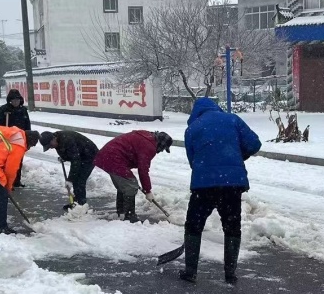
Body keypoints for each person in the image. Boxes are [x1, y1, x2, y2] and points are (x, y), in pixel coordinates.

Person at [181, 97, 261, 284]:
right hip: (232, 185)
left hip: (204, 186)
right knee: (232, 227)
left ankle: (190, 272)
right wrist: (237, 156)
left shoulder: (192, 129)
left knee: (194, 225)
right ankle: (230, 274)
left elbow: (193, 161)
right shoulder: (232, 119)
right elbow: (254, 144)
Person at [94, 131, 173, 222]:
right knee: (131, 185)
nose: (161, 150)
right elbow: (143, 170)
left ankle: (121, 212)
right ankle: (129, 216)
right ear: (161, 144)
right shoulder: (149, 146)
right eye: (163, 148)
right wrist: (148, 190)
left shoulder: (146, 137)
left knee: (124, 184)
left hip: (108, 156)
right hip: (113, 158)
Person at [39, 130, 99, 209]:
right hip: (81, 155)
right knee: (76, 180)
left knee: (80, 180)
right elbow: (68, 152)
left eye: (50, 145)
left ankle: (81, 205)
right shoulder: (58, 140)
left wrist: (70, 179)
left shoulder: (67, 140)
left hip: (90, 156)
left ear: (53, 139)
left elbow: (75, 161)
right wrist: (64, 157)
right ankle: (76, 203)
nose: (50, 147)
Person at [0, 89, 32, 187]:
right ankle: (6, 180)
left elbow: (27, 124)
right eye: (13, 100)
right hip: (7, 139)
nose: (16, 102)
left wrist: (27, 136)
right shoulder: (4, 109)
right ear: (10, 100)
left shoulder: (23, 110)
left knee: (18, 160)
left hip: (20, 139)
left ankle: (16, 181)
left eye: (17, 100)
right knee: (7, 161)